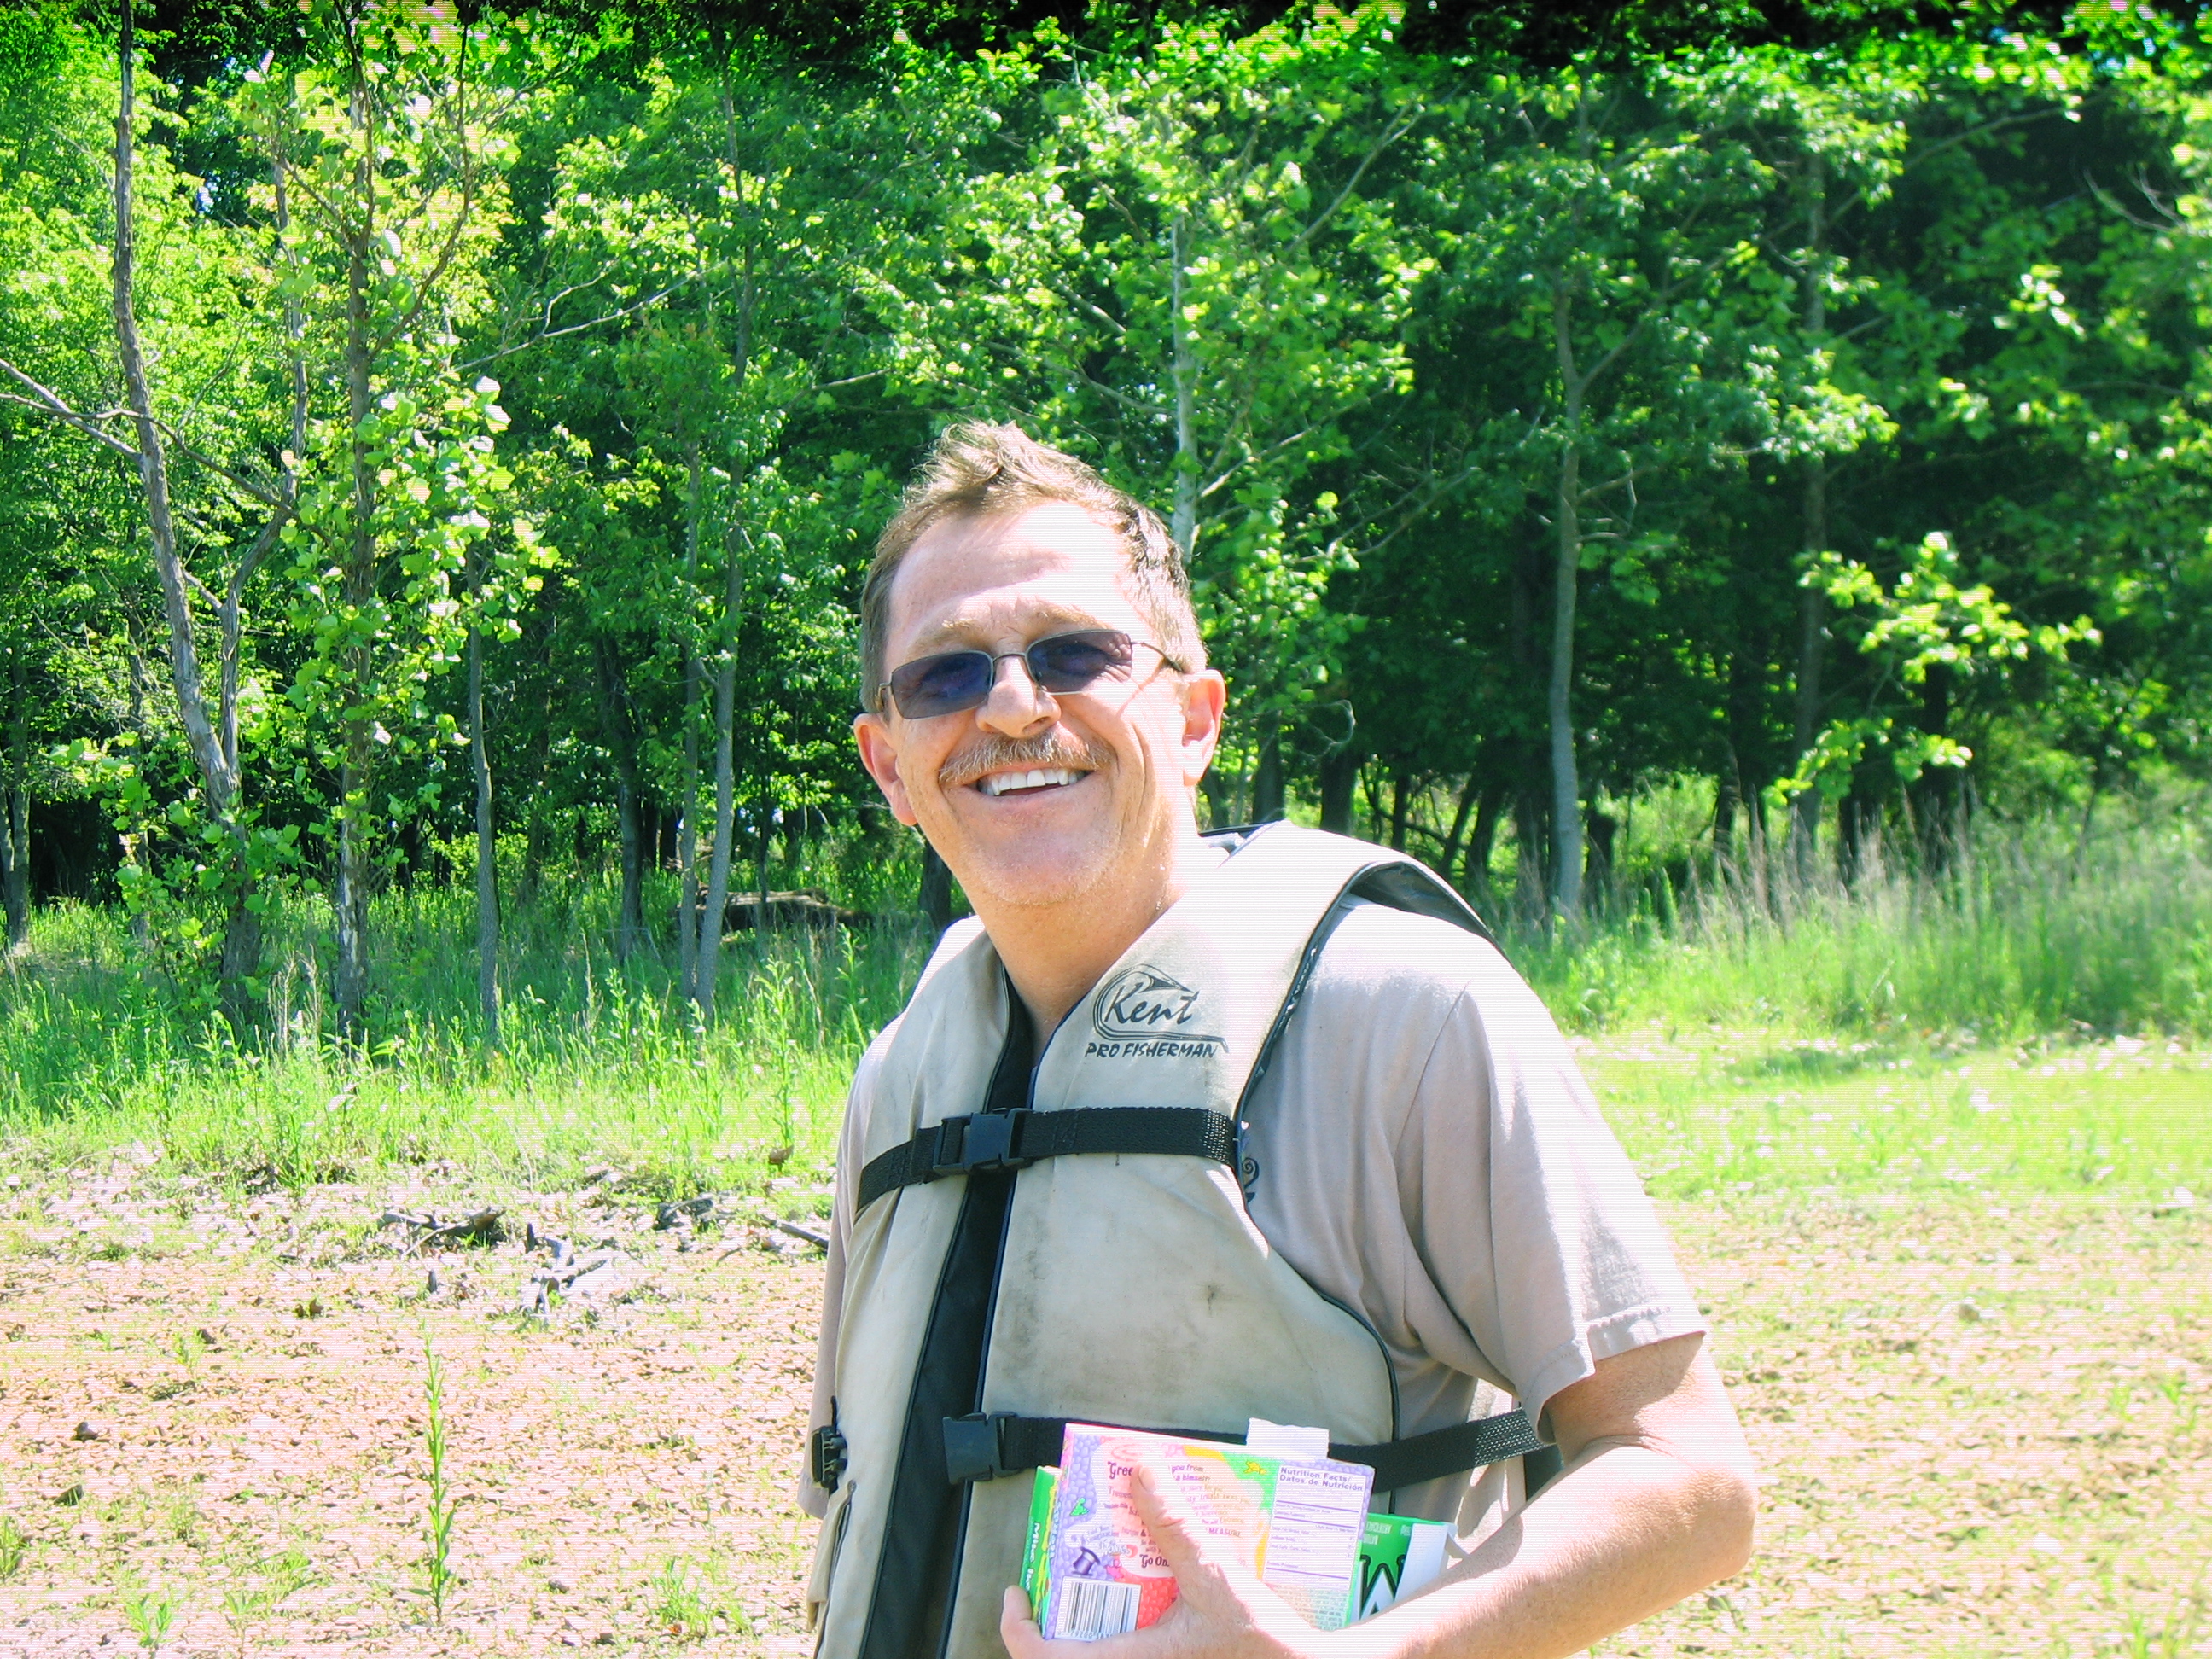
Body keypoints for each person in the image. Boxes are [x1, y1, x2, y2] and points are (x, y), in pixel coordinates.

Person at [800, 422, 1755, 1659]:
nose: (1016, 705)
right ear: (888, 764)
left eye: (1077, 653)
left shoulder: (1408, 1017)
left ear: (1196, 720)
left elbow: (1688, 1480)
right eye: (944, 675)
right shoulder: (901, 1075)